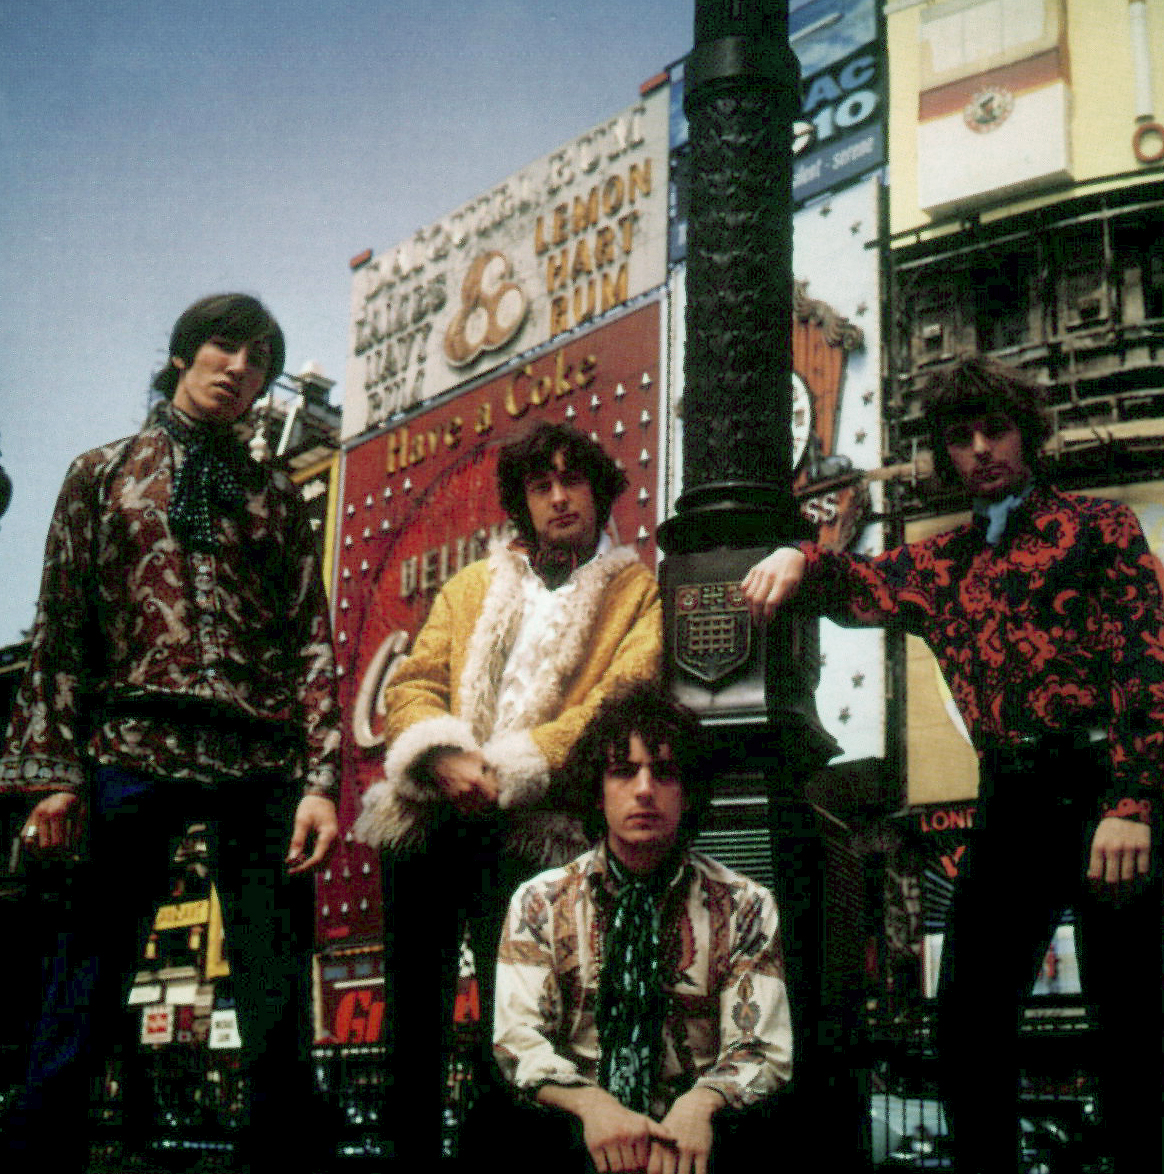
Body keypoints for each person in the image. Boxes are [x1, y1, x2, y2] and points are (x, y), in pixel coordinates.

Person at [741, 355, 1163, 1173]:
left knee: (1134, 1022)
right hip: (1010, 800)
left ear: (1027, 435)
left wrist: (1134, 801)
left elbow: (1146, 663)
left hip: (1105, 787)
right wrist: (800, 557)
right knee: (967, 1021)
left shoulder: (1101, 526)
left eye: (995, 430)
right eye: (961, 437)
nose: (980, 450)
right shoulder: (941, 564)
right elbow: (857, 583)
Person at [0, 293, 340, 1174]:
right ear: (185, 353)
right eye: (226, 347)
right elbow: (62, 626)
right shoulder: (101, 473)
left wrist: (320, 782)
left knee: (274, 995)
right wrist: (54, 776)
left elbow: (310, 636)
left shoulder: (274, 497)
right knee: (86, 981)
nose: (240, 369)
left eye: (259, 362)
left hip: (258, 758)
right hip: (130, 747)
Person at [354, 420, 661, 1166]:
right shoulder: (471, 585)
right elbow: (413, 684)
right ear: (522, 502)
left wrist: (512, 767)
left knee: (521, 1020)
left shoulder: (636, 590)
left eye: (572, 481)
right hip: (431, 816)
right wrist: (442, 757)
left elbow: (619, 700)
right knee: (413, 1025)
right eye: (540, 485)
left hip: (537, 828)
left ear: (599, 492)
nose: (558, 499)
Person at [493, 681, 791, 1174]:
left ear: (687, 793)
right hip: (574, 1134)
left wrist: (701, 1105)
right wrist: (592, 1107)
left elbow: (760, 1046)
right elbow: (518, 1039)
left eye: (665, 772)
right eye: (623, 771)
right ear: (598, 792)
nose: (645, 789)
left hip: (699, 1138)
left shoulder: (746, 905)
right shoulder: (540, 901)